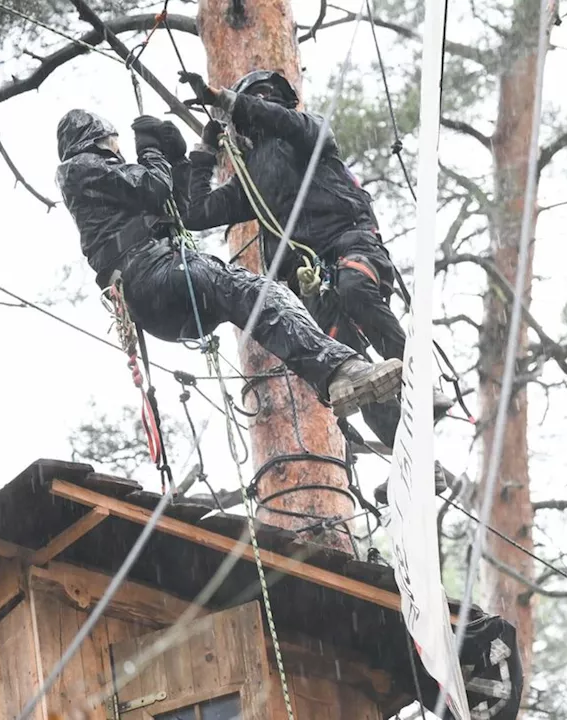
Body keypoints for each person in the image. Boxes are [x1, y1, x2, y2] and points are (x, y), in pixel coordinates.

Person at [54, 109, 403, 419]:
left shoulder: (107, 184)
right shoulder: (78, 168)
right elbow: (155, 187)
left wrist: (180, 158)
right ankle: (338, 369)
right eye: (114, 142)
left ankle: (334, 377)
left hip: (165, 295)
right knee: (261, 294)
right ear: (99, 140)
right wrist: (150, 149)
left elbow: (180, 207)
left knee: (258, 305)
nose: (119, 148)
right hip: (152, 278)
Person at [173, 70, 453, 453]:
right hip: (308, 275)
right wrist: (205, 151)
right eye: (258, 99)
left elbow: (281, 121)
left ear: (282, 102)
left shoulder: (307, 132)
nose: (264, 105)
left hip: (348, 238)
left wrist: (227, 101)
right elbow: (196, 212)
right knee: (351, 367)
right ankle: (414, 456)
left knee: (356, 288)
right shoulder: (250, 181)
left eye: (268, 98)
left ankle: (421, 386)